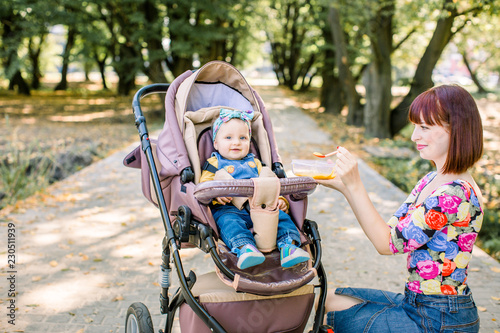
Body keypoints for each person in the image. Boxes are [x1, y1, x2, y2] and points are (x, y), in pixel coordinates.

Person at [317, 84, 484, 332]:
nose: (414, 136)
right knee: (327, 300)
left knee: (333, 318)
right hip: (418, 305)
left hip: (441, 319)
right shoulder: (431, 180)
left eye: (424, 127)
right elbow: (390, 231)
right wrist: (345, 187)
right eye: (415, 126)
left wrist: (356, 184)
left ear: (456, 131)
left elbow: (386, 245)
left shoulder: (454, 194)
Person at [200, 108, 310, 270]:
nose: (236, 142)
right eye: (228, 137)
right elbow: (205, 185)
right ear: (216, 143)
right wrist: (216, 196)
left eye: (243, 138)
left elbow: (271, 184)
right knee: (228, 223)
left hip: (261, 206)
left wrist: (279, 199)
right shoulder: (214, 164)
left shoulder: (256, 163)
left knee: (281, 217)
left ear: (250, 142)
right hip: (229, 208)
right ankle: (245, 248)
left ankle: (289, 247)